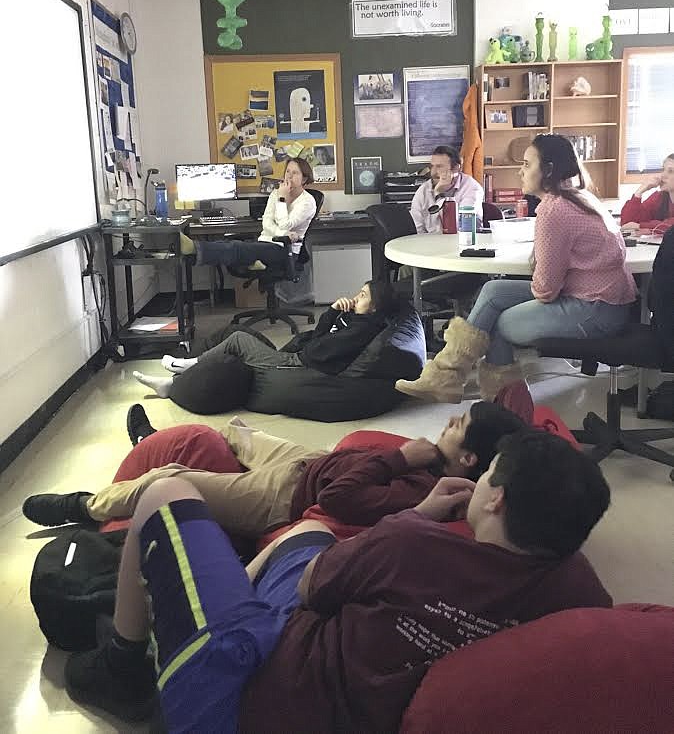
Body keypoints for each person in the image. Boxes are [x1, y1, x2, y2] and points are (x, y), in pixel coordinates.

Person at [62, 430, 612, 731]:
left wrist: (412, 517)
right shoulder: (579, 594)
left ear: (495, 497)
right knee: (309, 537)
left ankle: (123, 667)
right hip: (344, 688)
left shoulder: (410, 543)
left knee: (164, 493)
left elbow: (310, 591)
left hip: (245, 698)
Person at [22, 400, 526, 537]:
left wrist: (397, 458)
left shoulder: (423, 485)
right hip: (306, 462)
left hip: (278, 497)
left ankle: (84, 507)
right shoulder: (426, 457)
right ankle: (150, 441)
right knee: (233, 429)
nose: (454, 418)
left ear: (468, 460)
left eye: (463, 423)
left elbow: (338, 499)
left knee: (168, 478)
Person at [397, 133, 638, 403]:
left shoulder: (555, 210)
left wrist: (540, 273)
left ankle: (504, 405)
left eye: (526, 164)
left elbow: (545, 290)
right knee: (493, 289)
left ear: (548, 170)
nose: (520, 171)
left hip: (596, 310)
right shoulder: (578, 197)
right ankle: (448, 377)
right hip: (605, 301)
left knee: (495, 322)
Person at [132, 279, 398, 398]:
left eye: (362, 295)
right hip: (294, 355)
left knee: (238, 339)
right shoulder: (354, 319)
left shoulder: (360, 330)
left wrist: (330, 316)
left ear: (374, 307)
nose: (355, 296)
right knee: (230, 332)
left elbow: (318, 351)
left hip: (296, 365)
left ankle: (184, 369)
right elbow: (317, 337)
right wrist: (332, 314)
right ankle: (178, 378)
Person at [179, 157, 316, 273]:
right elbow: (266, 222)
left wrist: (282, 199)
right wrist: (283, 233)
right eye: (287, 171)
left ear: (304, 179)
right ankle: (195, 252)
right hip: (265, 242)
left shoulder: (307, 201)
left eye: (295, 173)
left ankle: (193, 248)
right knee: (230, 244)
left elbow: (285, 224)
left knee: (237, 248)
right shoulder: (276, 193)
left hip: (285, 250)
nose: (289, 176)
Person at [410, 144, 484, 234]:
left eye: (439, 166)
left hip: (462, 244)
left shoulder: (471, 188)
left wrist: (440, 195)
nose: (433, 172)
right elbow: (417, 230)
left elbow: (463, 227)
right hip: (430, 245)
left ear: (456, 168)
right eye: (432, 166)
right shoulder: (424, 190)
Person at [620, 153, 674, 234]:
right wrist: (640, 191)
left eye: (671, 171)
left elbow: (671, 226)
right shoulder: (659, 197)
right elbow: (627, 223)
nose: (663, 175)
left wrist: (640, 226)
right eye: (663, 169)